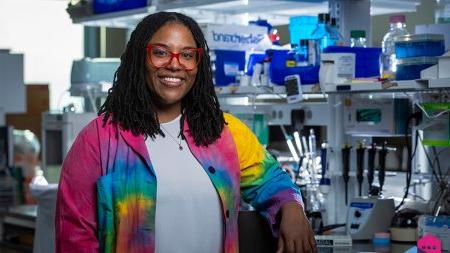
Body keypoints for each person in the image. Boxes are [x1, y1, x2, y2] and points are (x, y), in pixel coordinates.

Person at [55, 11, 316, 253]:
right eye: (160, 52)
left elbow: (272, 181)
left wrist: (293, 208)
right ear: (139, 58)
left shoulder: (225, 131)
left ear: (198, 64)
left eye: (187, 55)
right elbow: (74, 236)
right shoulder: (99, 139)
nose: (175, 65)